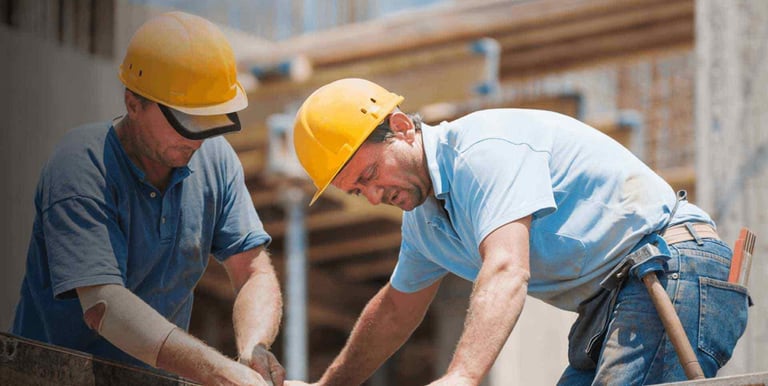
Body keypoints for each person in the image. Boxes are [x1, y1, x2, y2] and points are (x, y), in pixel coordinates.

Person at [287, 78, 750, 385]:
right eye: (356, 192)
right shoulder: (425, 224)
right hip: (620, 299)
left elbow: (507, 268)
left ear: (402, 127)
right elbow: (394, 310)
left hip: (673, 270)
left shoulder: (482, 152)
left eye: (369, 175)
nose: (372, 196)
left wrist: (462, 376)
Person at [11, 12, 285, 386]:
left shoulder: (216, 161)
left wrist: (254, 350)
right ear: (133, 103)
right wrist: (218, 372)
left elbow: (253, 271)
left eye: (210, 120)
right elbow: (104, 306)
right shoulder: (81, 165)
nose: (197, 138)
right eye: (186, 120)